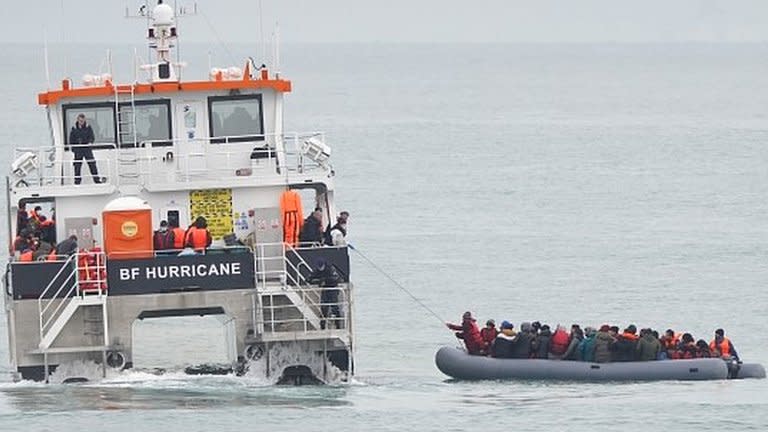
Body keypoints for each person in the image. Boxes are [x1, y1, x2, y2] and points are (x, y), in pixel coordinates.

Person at [307, 259, 343, 330]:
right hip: (325, 290)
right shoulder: (317, 271)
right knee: (323, 308)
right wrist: (319, 281)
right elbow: (309, 279)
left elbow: (336, 278)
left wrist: (326, 280)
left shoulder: (330, 269)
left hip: (333, 289)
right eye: (319, 267)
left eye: (321, 267)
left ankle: (338, 325)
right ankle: (322, 326)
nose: (320, 269)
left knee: (335, 307)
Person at [68, 113, 103, 185]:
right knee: (77, 165)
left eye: (83, 121)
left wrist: (90, 142)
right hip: (78, 149)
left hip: (87, 148)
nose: (81, 122)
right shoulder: (74, 128)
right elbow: (71, 140)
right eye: (80, 121)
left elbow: (92, 137)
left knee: (92, 163)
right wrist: (74, 149)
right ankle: (77, 181)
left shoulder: (88, 127)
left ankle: (97, 180)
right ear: (77, 120)